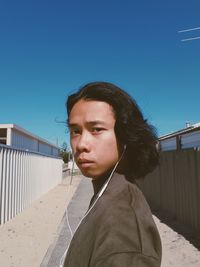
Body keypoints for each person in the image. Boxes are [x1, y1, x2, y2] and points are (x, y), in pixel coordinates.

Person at [62, 82, 162, 267]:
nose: (81, 144)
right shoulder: (108, 193)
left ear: (126, 136)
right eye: (75, 131)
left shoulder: (124, 229)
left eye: (96, 129)